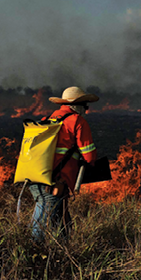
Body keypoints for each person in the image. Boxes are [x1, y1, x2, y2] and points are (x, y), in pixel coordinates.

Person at [29, 86, 99, 241]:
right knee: (40, 230)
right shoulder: (77, 121)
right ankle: (30, 259)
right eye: (85, 106)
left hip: (35, 179)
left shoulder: (46, 120)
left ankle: (62, 255)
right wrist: (88, 165)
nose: (86, 110)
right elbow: (89, 155)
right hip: (55, 183)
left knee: (62, 226)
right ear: (76, 106)